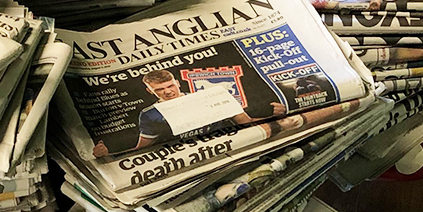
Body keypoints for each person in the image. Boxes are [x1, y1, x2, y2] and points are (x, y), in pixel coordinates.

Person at [91, 69, 285, 158]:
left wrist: (278, 114)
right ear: (150, 91)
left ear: (177, 83)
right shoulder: (150, 115)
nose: (167, 92)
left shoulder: (210, 95)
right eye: (160, 90)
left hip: (230, 148)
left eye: (169, 86)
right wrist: (110, 152)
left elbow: (247, 122)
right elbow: (142, 147)